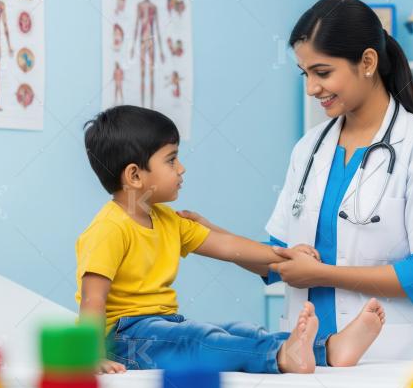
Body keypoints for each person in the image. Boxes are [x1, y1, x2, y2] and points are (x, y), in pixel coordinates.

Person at [183, 0, 413, 364]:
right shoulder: (309, 149)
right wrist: (211, 236)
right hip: (311, 358)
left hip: (391, 360)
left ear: (367, 62)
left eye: (323, 72)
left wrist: (322, 274)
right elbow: (279, 258)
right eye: (305, 74)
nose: (312, 87)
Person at [77, 105, 386, 374]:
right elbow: (93, 299)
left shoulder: (167, 220)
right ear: (134, 176)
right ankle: (281, 356)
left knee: (235, 331)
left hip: (165, 326)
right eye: (171, 160)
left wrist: (285, 255)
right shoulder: (109, 229)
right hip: (124, 340)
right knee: (199, 341)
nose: (181, 168)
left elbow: (228, 247)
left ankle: (329, 350)